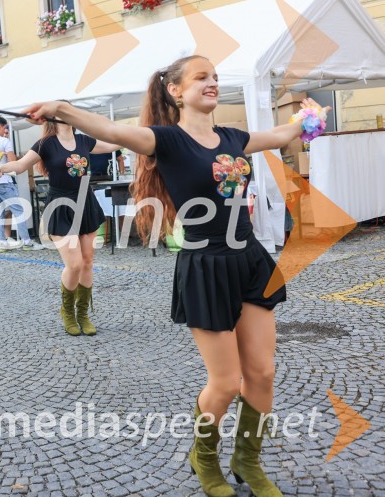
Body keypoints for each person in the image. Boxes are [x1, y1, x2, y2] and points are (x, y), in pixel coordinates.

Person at [21, 55, 325, 497]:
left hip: (250, 260)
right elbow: (111, 131)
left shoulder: (234, 137)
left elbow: (281, 135)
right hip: (205, 266)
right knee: (225, 383)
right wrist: (60, 109)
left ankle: (247, 460)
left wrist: (309, 117)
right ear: (176, 91)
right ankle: (204, 457)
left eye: (215, 77)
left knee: (262, 372)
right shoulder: (165, 141)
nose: (212, 82)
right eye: (202, 77)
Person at [0, 122, 120, 336]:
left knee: (87, 261)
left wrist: (141, 136)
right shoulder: (46, 144)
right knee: (74, 264)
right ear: (53, 117)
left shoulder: (84, 141)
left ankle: (83, 314)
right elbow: (21, 165)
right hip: (60, 205)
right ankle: (67, 312)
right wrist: (2, 168)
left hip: (85, 202)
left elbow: (113, 144)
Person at [0, 116, 42, 251]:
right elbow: (13, 163)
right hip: (4, 182)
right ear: (0, 126)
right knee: (19, 211)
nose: (6, 131)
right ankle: (27, 242)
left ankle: (2, 243)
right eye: (5, 128)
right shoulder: (4, 141)